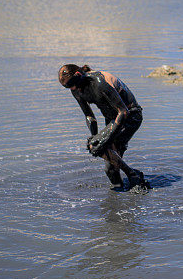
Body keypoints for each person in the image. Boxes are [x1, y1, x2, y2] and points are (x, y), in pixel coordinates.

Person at [58, 64, 147, 192]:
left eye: (73, 85)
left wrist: (104, 139)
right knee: (110, 170)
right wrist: (95, 136)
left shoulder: (100, 82)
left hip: (130, 117)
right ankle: (120, 196)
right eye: (68, 87)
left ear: (78, 75)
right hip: (112, 120)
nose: (73, 89)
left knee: (99, 147)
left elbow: (123, 112)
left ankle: (133, 175)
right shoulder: (75, 89)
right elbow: (89, 116)